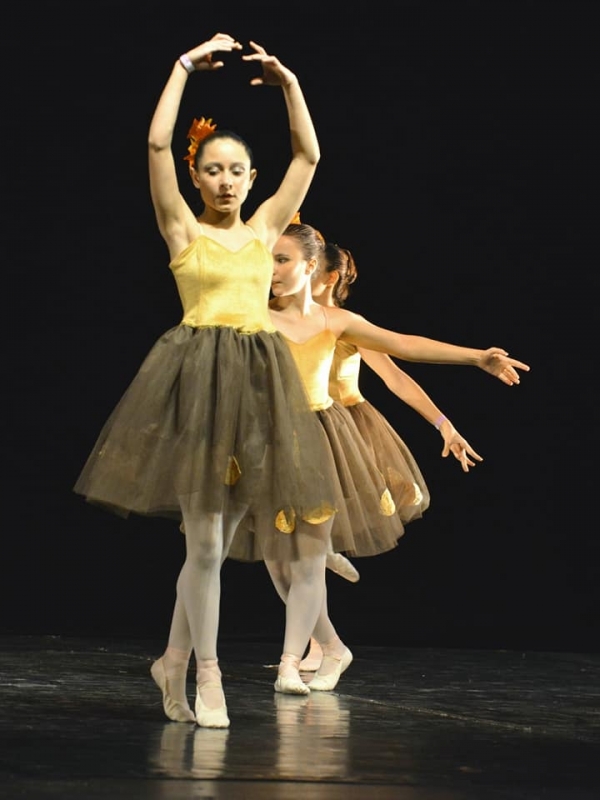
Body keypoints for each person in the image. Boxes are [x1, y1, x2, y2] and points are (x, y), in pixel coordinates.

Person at [74, 33, 344, 728]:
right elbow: (158, 146)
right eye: (214, 170)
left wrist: (290, 83)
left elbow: (309, 155)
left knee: (217, 548)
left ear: (252, 180)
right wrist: (181, 68)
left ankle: (169, 658)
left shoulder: (263, 231)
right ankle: (205, 673)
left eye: (237, 171)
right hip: (197, 384)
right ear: (198, 178)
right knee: (204, 547)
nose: (225, 181)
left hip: (257, 391)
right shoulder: (182, 232)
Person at [248, 221, 530, 690]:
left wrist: (472, 364)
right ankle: (330, 644)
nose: (274, 270)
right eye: (271, 261)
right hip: (273, 440)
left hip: (329, 435)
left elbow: (403, 357)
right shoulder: (258, 314)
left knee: (304, 557)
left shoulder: (340, 323)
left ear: (319, 270)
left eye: (284, 261)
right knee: (277, 556)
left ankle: (291, 661)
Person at [299, 237, 484, 671]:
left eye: (306, 267)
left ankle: (320, 633)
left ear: (326, 277)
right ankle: (315, 640)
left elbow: (395, 375)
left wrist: (444, 424)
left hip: (340, 430)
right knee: (289, 550)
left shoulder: (346, 323)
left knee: (301, 548)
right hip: (296, 428)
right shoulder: (291, 317)